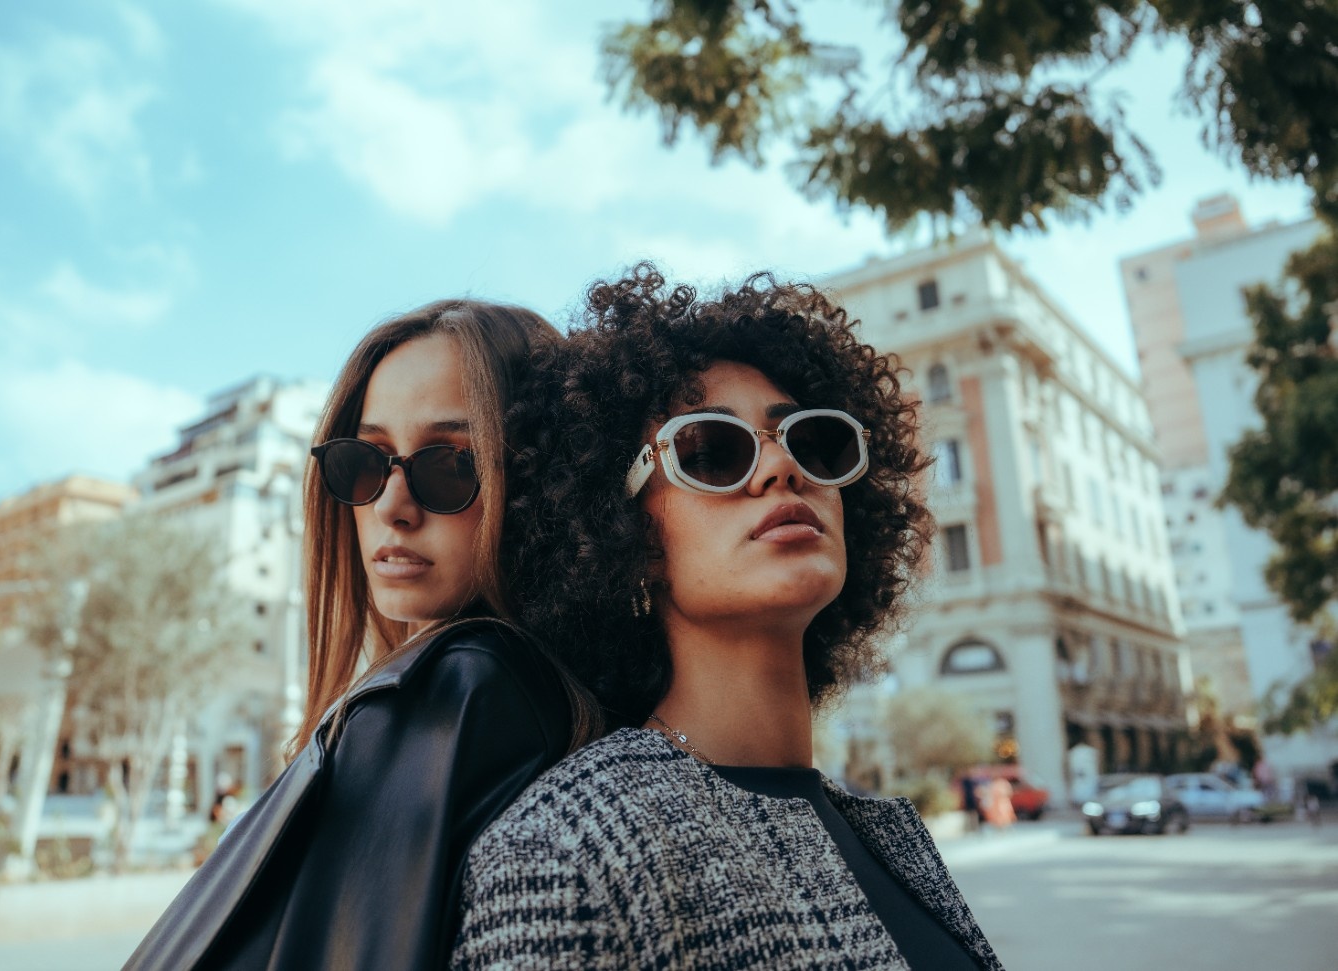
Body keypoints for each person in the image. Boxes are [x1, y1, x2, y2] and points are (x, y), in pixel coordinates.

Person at [450, 266, 1002, 970]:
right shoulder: (567, 849)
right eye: (711, 450)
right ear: (627, 534)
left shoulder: (890, 833)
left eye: (811, 441)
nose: (780, 468)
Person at [126, 300, 596, 971]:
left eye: (450, 464)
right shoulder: (484, 690)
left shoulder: (461, 687)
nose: (390, 508)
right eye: (365, 462)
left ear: (540, 482)